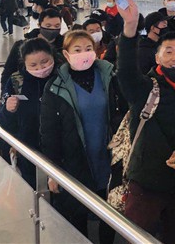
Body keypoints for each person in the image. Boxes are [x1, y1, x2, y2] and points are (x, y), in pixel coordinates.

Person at [116, 0, 175, 243]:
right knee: (136, 236)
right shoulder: (145, 88)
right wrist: (130, 29)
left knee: (172, 236)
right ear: (157, 57)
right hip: (146, 184)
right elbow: (126, 72)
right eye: (169, 52)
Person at [40, 30, 126, 243]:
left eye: (88, 48)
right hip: (75, 159)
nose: (84, 53)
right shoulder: (56, 86)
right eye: (77, 50)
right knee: (77, 211)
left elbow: (122, 113)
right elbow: (49, 132)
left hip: (106, 156)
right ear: (66, 54)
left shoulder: (108, 76)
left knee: (108, 209)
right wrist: (53, 171)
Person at [0, 38, 57, 187]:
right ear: (24, 63)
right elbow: (1, 120)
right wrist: (8, 110)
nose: (40, 68)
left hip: (61, 151)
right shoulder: (16, 81)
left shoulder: (63, 78)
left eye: (45, 62)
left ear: (52, 57)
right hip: (28, 152)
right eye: (33, 65)